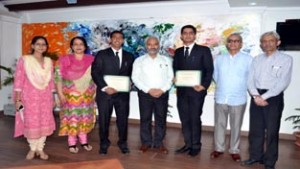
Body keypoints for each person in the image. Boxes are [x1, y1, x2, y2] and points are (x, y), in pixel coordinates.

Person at [241, 31, 293, 169]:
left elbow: (283, 82)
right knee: (255, 130)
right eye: (264, 41)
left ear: (278, 42)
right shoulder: (257, 59)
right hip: (256, 95)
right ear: (261, 44)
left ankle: (270, 161)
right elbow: (250, 79)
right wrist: (255, 96)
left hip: (273, 97)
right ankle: (255, 156)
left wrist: (263, 97)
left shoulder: (286, 59)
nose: (267, 43)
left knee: (272, 131)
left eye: (271, 40)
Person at [210, 33, 252, 162]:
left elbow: (250, 78)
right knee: (219, 124)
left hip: (238, 98)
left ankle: (234, 150)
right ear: (227, 44)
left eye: (236, 41)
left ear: (241, 44)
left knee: (236, 126)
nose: (233, 43)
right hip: (221, 96)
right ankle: (219, 148)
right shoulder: (219, 59)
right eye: (230, 41)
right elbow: (215, 76)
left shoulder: (248, 59)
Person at [173, 25, 214, 157]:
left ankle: (196, 145)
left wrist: (203, 86)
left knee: (194, 118)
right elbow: (175, 69)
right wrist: (175, 78)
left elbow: (209, 70)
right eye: (185, 33)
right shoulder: (178, 52)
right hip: (182, 91)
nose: (188, 35)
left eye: (191, 33)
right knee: (184, 119)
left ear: (195, 35)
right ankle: (188, 144)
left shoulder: (203, 50)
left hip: (197, 92)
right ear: (182, 36)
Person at [91, 30, 134, 155]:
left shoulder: (129, 56)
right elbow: (95, 72)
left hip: (122, 95)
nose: (117, 39)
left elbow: (131, 74)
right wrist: (105, 87)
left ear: (123, 40)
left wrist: (131, 82)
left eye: (120, 38)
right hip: (105, 94)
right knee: (104, 120)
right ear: (111, 39)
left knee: (123, 120)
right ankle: (104, 143)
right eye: (114, 37)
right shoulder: (101, 54)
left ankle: (122, 143)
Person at [13, 36, 56, 160]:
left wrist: (53, 98)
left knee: (44, 122)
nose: (41, 46)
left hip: (45, 97)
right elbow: (19, 81)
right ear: (32, 46)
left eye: (43, 44)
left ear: (46, 47)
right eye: (38, 44)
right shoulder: (25, 60)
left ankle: (40, 149)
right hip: (29, 97)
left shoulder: (48, 61)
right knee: (31, 123)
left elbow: (51, 81)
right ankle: (32, 148)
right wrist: (18, 99)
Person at [131, 36, 174, 154]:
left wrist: (162, 90)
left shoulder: (166, 60)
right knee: (145, 119)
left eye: (155, 44)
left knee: (161, 119)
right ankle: (146, 142)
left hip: (162, 94)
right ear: (146, 46)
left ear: (159, 46)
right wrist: (148, 90)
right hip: (145, 94)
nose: (152, 47)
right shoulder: (139, 61)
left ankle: (159, 143)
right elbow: (135, 78)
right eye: (150, 44)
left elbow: (171, 78)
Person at [55, 36, 96, 154]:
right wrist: (60, 94)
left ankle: (84, 141)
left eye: (81, 44)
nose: (78, 46)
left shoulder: (92, 60)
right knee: (72, 119)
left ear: (85, 46)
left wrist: (95, 93)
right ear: (71, 47)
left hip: (87, 95)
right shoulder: (64, 60)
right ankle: (71, 143)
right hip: (70, 96)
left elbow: (95, 77)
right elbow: (58, 78)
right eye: (75, 44)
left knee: (84, 118)